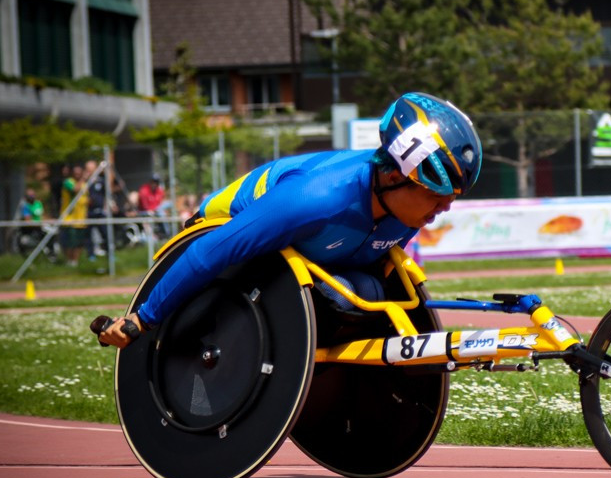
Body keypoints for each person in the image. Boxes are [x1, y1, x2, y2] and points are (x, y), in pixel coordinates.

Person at [97, 92, 482, 348]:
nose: (444, 208)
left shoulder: (407, 205)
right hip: (232, 226)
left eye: (451, 198)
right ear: (396, 175)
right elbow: (205, 254)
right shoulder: (312, 200)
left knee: (368, 290)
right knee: (345, 294)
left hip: (317, 247)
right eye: (436, 196)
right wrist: (143, 319)